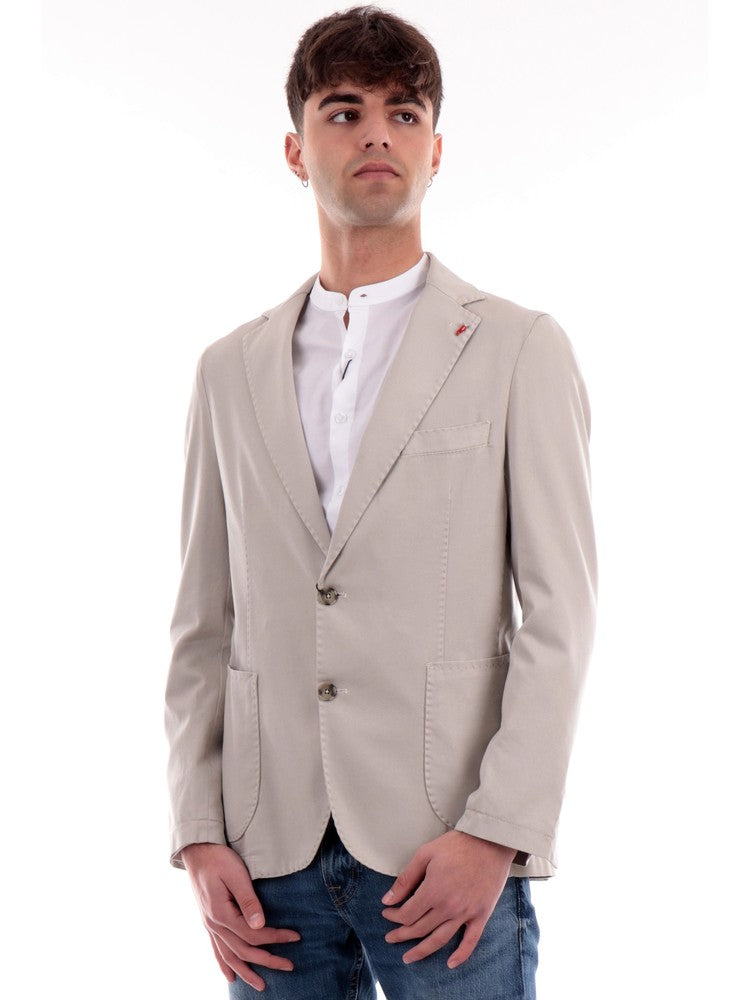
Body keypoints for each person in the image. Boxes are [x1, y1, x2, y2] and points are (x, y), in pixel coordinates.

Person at [164, 6, 597, 998]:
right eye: (344, 111)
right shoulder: (229, 370)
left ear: (436, 151)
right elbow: (201, 621)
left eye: (404, 114)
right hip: (267, 857)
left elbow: (560, 615)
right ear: (295, 148)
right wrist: (197, 829)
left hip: (443, 850)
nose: (377, 136)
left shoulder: (518, 349)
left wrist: (497, 831)